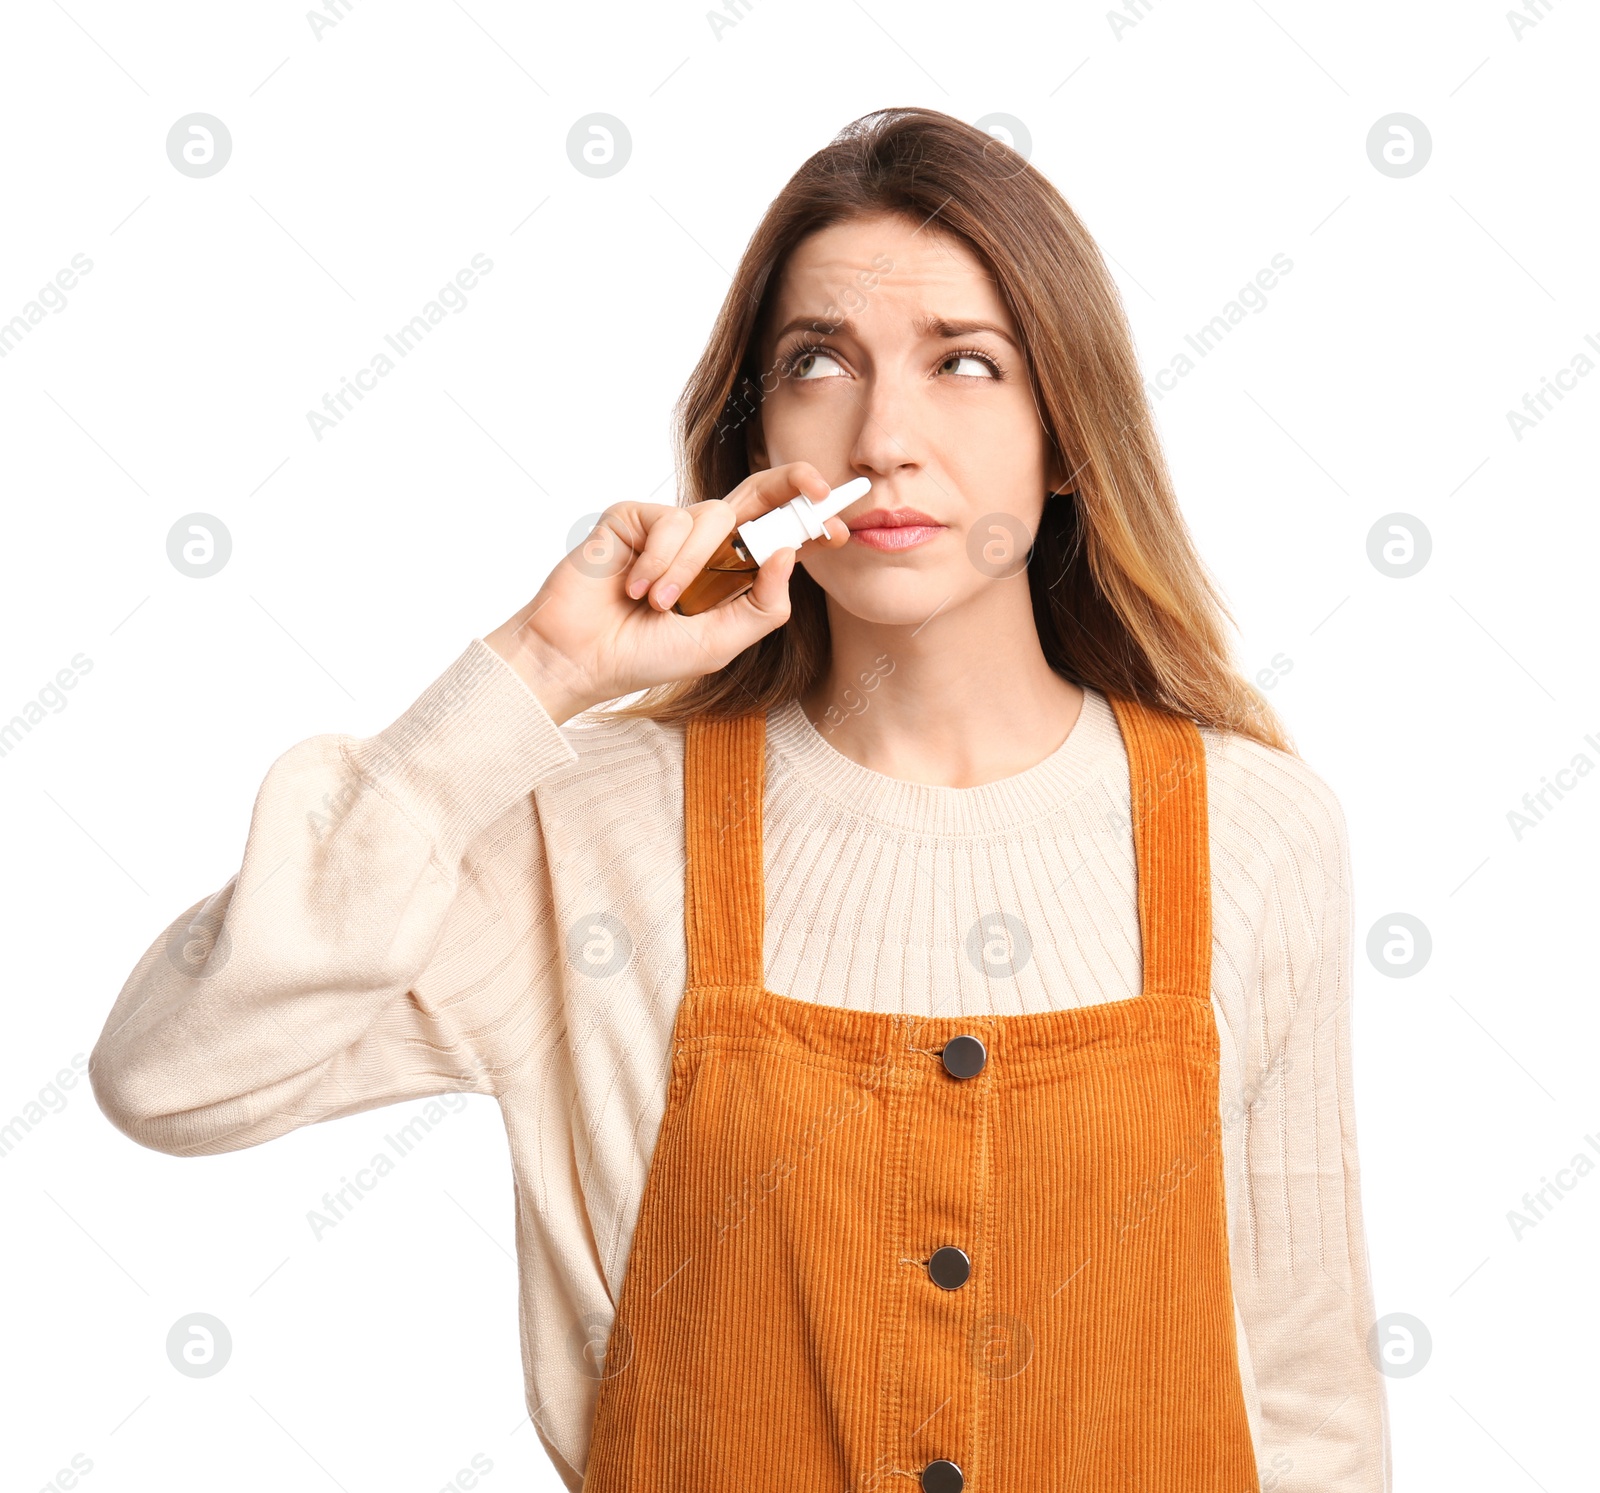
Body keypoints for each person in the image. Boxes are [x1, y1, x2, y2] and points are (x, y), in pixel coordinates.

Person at [90, 106, 1390, 1491]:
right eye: (820, 362)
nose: (885, 435)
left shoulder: (1253, 831)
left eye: (966, 363)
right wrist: (534, 674)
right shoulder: (592, 833)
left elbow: (1305, 1400)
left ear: (1067, 437)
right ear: (755, 432)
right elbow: (167, 1077)